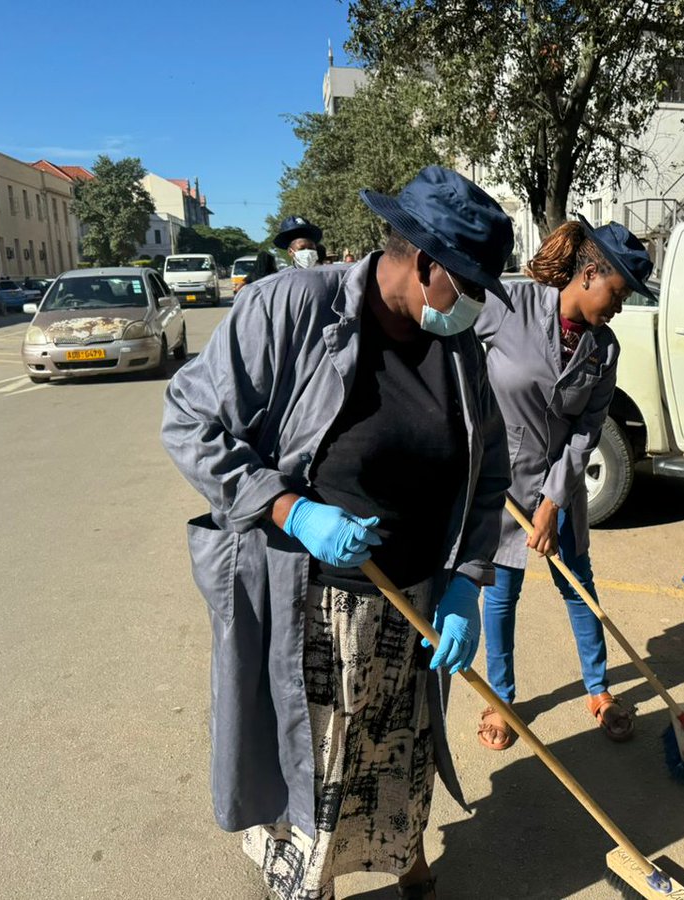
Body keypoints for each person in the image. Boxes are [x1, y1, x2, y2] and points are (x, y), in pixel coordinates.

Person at [162, 166, 514, 900]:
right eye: (470, 285)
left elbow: (488, 476)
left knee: (395, 767)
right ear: (425, 264)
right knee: (314, 783)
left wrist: (466, 582)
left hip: (410, 612)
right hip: (315, 617)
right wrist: (291, 510)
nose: (476, 305)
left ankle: (405, 865)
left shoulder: (457, 349)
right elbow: (189, 421)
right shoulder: (290, 308)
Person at [473, 215, 655, 750]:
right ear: (590, 274)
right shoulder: (508, 308)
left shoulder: (605, 348)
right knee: (500, 593)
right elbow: (455, 356)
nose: (619, 308)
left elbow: (587, 430)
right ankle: (501, 697)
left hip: (562, 481)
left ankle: (598, 691)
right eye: (618, 294)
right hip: (499, 482)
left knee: (578, 587)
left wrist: (553, 500)